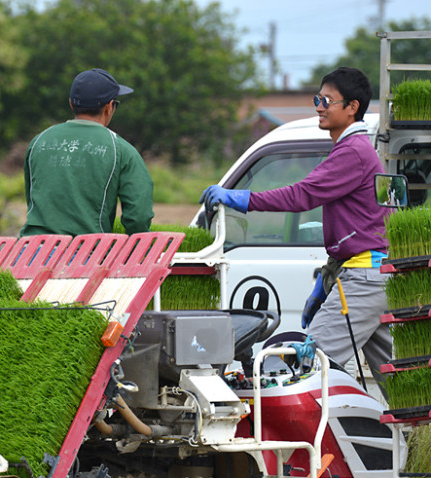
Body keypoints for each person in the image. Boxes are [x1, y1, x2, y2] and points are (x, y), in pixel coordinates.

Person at [199, 67, 392, 394]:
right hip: (366, 275)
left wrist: (242, 199)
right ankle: (413, 443)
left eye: (327, 101)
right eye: (318, 99)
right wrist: (328, 278)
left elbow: (301, 195)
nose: (319, 106)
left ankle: (306, 446)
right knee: (398, 384)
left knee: (309, 369)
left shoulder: (353, 152)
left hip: (362, 281)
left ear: (352, 107)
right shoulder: (352, 149)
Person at [19, 68, 154, 237]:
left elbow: (32, 200)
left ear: (71, 103)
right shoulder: (121, 149)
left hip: (30, 253)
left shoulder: (39, 141)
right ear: (109, 107)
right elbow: (138, 217)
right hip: (86, 256)